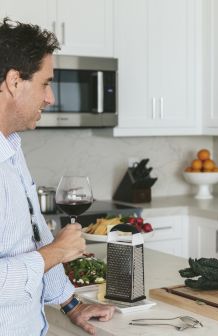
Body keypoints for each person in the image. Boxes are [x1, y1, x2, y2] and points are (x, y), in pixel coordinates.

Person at [0, 18, 115, 335]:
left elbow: (34, 234)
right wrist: (55, 253)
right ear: (14, 81)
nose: (50, 98)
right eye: (45, 83)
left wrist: (71, 304)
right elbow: (46, 251)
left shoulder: (11, 146)